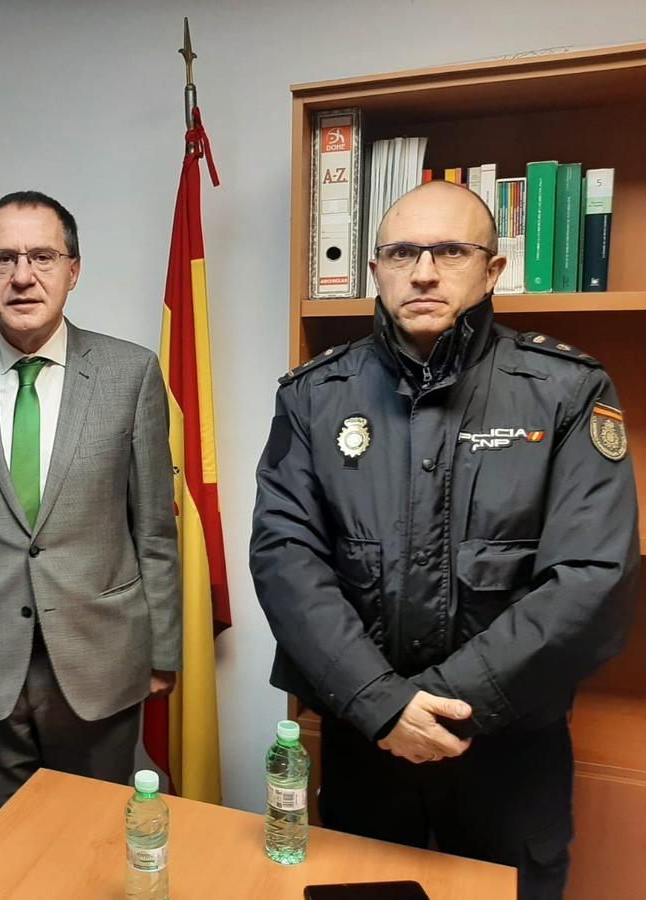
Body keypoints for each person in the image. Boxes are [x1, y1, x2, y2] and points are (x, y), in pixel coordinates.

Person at [250, 181, 639, 899]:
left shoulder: (566, 389)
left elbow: (592, 577)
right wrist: (380, 705)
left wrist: (439, 706)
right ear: (376, 271)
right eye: (401, 253)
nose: (423, 271)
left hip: (508, 749)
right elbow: (285, 559)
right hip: (365, 743)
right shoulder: (313, 395)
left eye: (450, 251)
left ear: (493, 270)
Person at [0, 191, 181, 821]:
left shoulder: (131, 373)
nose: (22, 276)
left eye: (42, 256)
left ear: (73, 270)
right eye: (3, 258)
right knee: (8, 843)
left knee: (96, 838)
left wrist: (162, 651)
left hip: (100, 660)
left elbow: (155, 533)